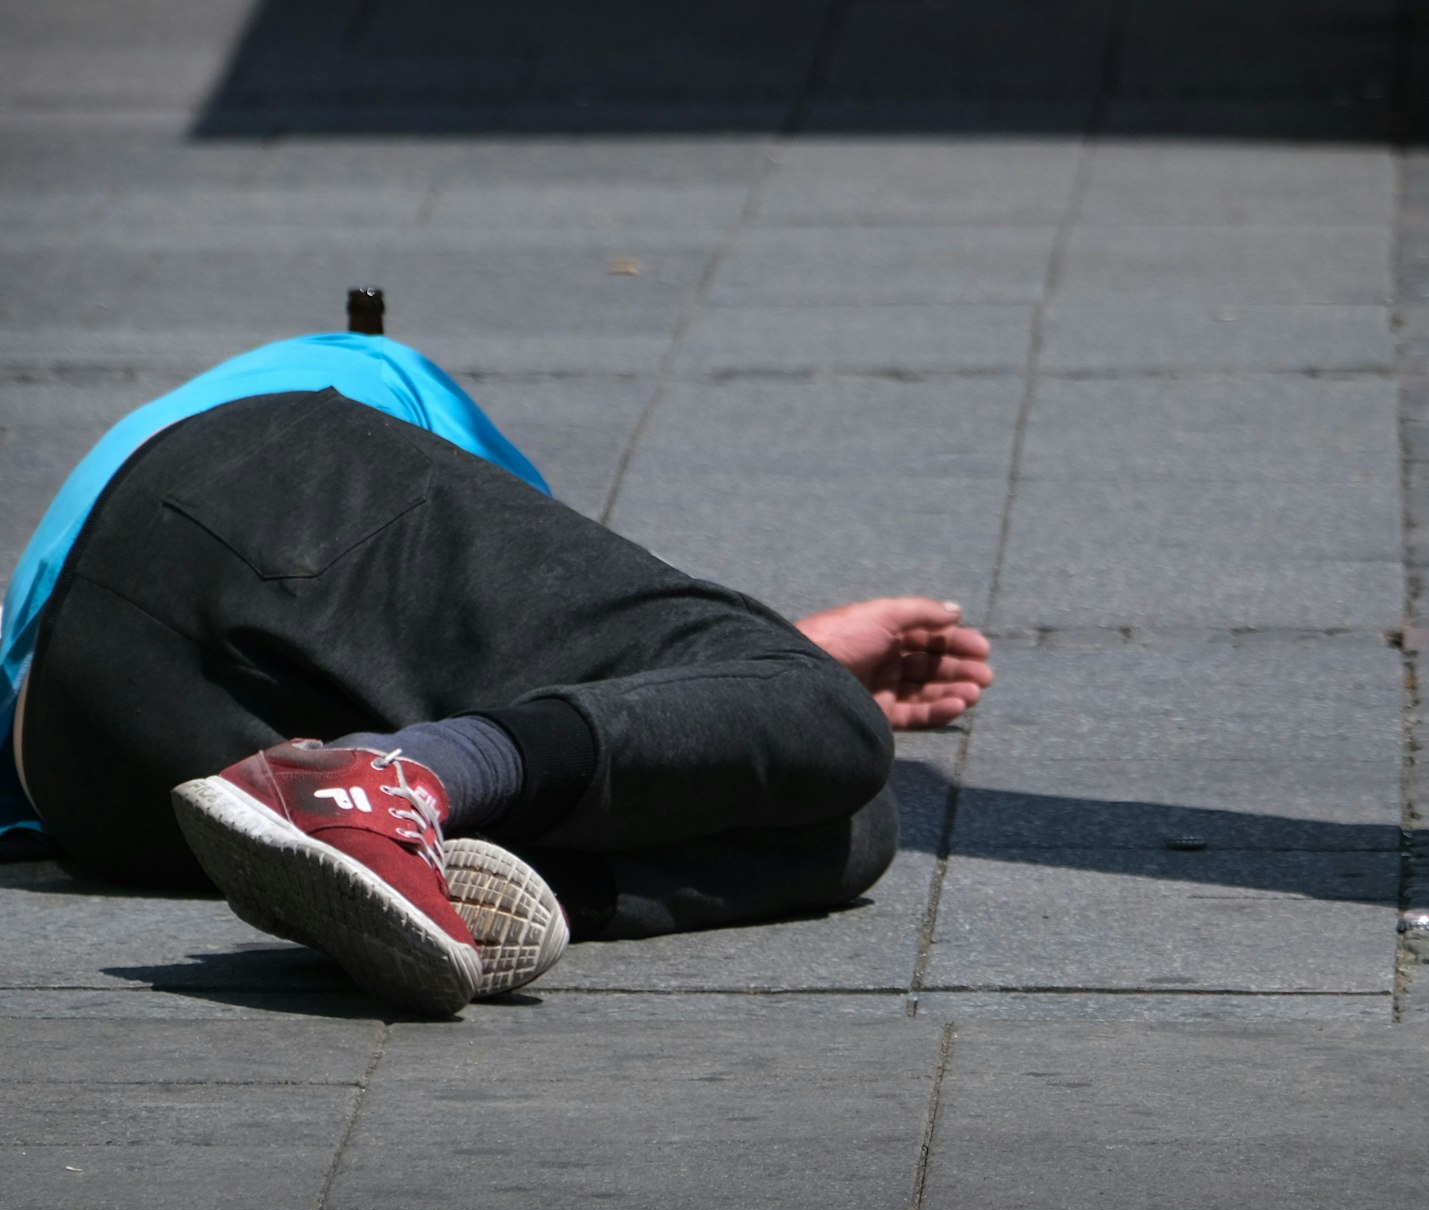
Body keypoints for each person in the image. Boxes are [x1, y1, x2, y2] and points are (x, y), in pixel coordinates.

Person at [0, 323, 992, 1015]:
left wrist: (743, 687)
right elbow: (579, 642)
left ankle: (436, 862)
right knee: (823, 712)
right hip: (266, 485)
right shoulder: (374, 373)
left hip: (87, 760)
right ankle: (399, 780)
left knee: (850, 822)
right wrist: (775, 656)